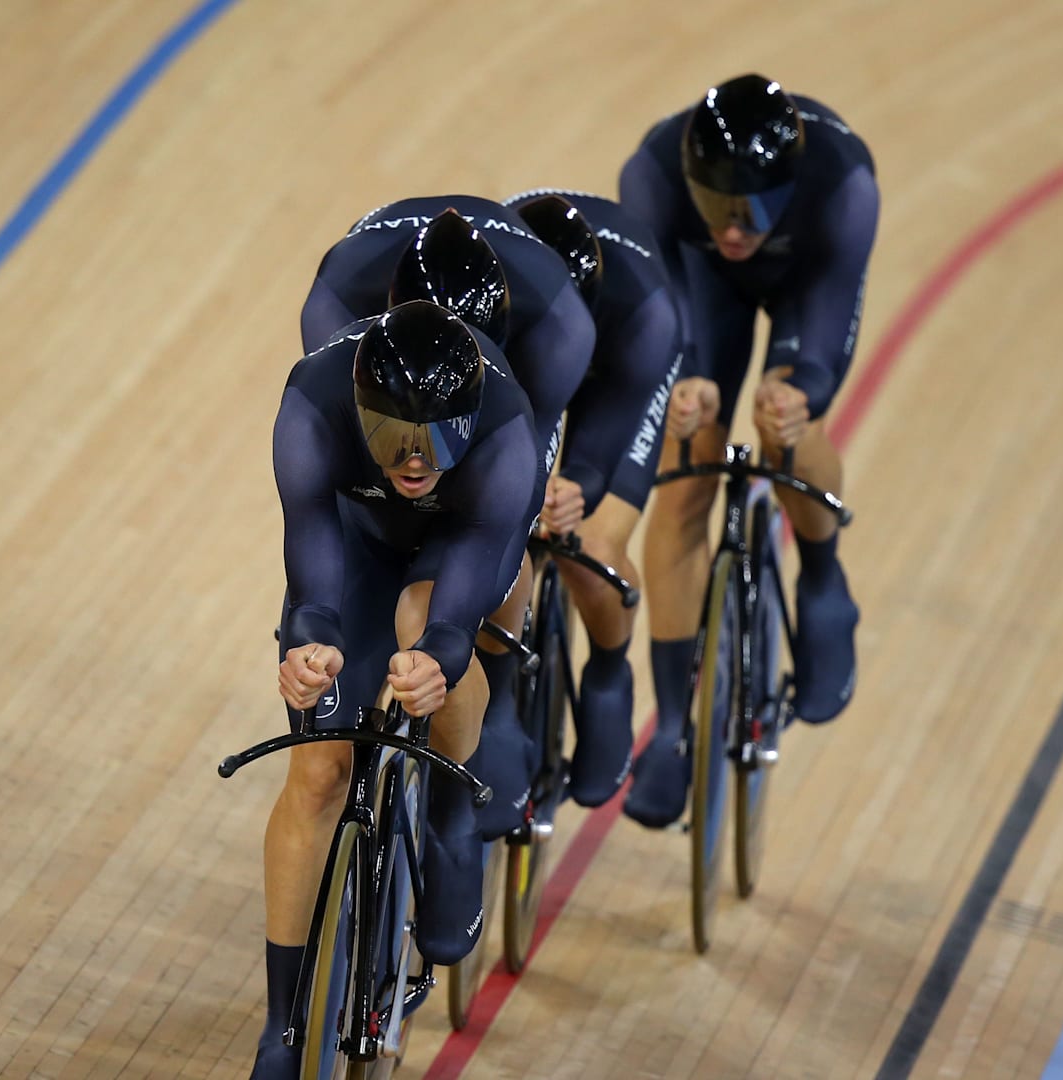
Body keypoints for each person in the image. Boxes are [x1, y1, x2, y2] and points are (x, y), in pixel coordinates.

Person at [255, 300, 540, 1079]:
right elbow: (312, 572)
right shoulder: (312, 402)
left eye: (438, 439)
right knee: (317, 770)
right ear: (358, 408)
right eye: (392, 439)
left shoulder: (510, 436)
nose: (415, 464)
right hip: (356, 541)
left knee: (425, 630)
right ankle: (282, 1027)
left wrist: (439, 659)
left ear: (471, 420)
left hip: (454, 548)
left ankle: (452, 814)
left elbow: (457, 615)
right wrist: (310, 649)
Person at [617, 73, 877, 827]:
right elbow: (659, 315)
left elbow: (825, 339)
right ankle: (671, 724)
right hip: (704, 293)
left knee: (782, 419)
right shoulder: (652, 177)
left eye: (755, 208)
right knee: (689, 461)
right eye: (717, 205)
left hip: (805, 287)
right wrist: (686, 380)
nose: (735, 228)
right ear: (690, 182)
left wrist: (806, 393)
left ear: (788, 188)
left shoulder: (843, 185)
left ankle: (823, 580)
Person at [301, 200, 596, 830]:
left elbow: (507, 500)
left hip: (516, 389)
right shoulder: (337, 306)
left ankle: (504, 694)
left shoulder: (556, 331)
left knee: (510, 514)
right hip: (384, 373)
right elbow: (336, 463)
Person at [497, 189, 683, 805]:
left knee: (591, 550)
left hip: (619, 376)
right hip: (512, 359)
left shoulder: (643, 315)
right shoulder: (486, 282)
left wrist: (575, 485)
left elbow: (600, 452)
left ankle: (607, 674)